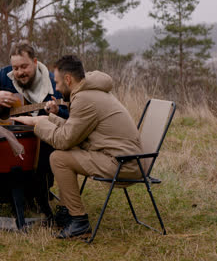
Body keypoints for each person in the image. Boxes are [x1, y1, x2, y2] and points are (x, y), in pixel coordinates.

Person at [11, 55, 142, 239]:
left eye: (56, 83)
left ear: (68, 79)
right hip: (123, 158)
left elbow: (64, 140)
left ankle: (79, 222)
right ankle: (67, 213)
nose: (55, 88)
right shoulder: (90, 92)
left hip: (123, 164)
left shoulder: (84, 99)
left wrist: (37, 125)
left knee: (59, 158)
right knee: (65, 153)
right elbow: (75, 131)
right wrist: (45, 119)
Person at [0, 42, 69, 220]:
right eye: (16, 67)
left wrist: (57, 111)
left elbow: (68, 116)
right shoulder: (5, 76)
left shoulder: (53, 85)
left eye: (24, 66)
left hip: (38, 147)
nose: (20, 72)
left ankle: (39, 195)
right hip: (6, 146)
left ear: (35, 62)